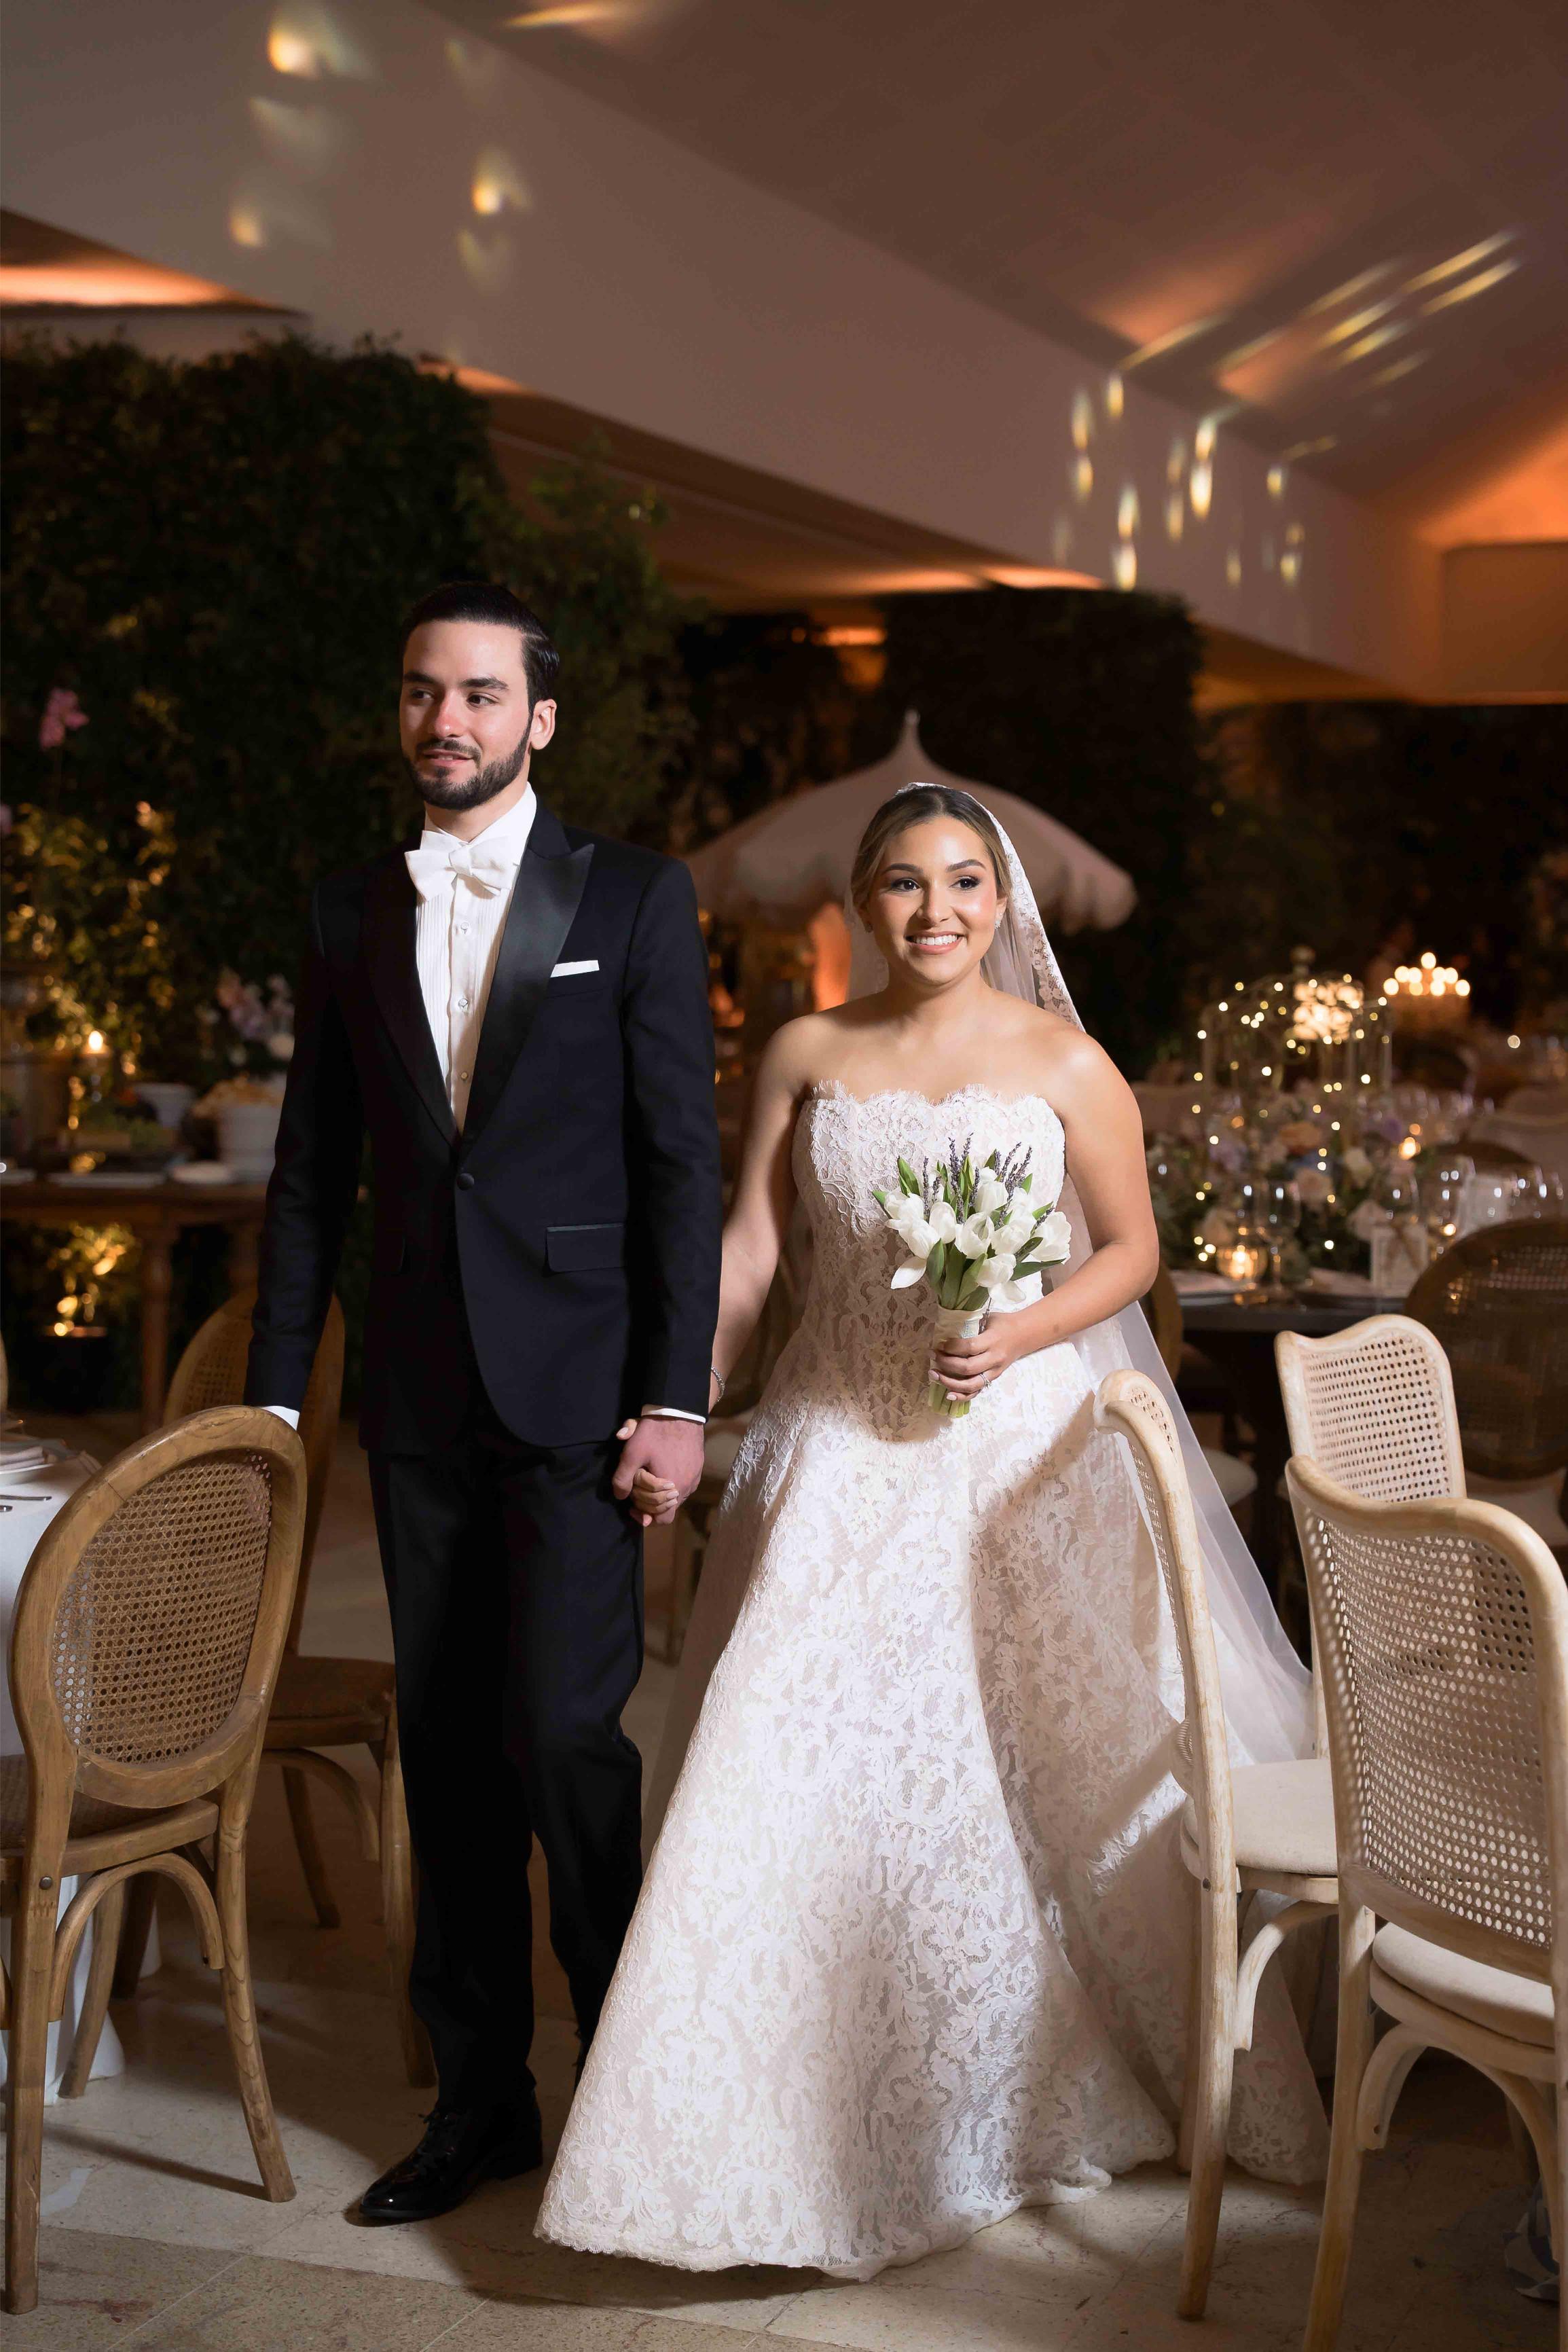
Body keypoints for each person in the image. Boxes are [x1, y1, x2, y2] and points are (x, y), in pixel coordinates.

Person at [536, 782, 1326, 2280]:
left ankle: (987, 2094)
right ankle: (729, 2136)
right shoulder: (806, 1052)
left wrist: (1019, 1330)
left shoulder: (1064, 1059)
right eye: (903, 883)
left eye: (964, 880)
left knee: (1003, 1776)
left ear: (1001, 895)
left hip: (1003, 1451)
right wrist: (688, 1394)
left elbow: (1135, 1248)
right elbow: (759, 1245)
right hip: (833, 1445)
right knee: (783, 1758)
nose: (936, 909)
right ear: (861, 899)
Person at [245, 581, 721, 2224]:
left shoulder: (639, 898)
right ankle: (481, 2104)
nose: (442, 719)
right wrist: (271, 1416)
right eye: (419, 691)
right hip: (421, 1395)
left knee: (571, 1737)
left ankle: (634, 2088)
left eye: (475, 694)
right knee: (447, 1749)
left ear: (539, 717)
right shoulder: (346, 910)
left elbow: (681, 1166)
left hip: (587, 1393)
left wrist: (679, 1399)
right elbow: (311, 1180)